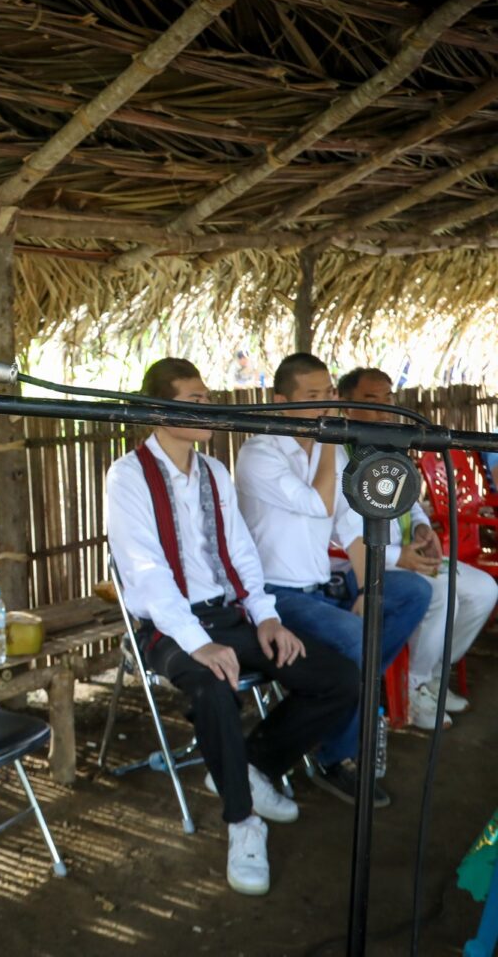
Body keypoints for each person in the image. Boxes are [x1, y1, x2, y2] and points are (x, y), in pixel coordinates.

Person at [107, 358, 359, 896]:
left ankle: (254, 765)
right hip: (167, 626)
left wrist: (265, 616)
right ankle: (242, 823)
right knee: (212, 685)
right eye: (194, 402)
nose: (208, 408)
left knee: (337, 676)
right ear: (159, 410)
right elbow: (145, 574)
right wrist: (199, 644)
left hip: (226, 613)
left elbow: (241, 551)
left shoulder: (214, 472)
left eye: (207, 397)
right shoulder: (127, 476)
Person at [235, 352, 430, 807]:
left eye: (328, 394)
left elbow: (349, 528)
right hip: (275, 597)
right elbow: (320, 504)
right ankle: (336, 756)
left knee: (411, 592)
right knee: (355, 635)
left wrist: (367, 588)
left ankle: (349, 699)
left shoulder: (334, 451)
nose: (325, 404)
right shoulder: (258, 454)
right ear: (280, 400)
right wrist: (325, 445)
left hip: (323, 589)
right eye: (312, 396)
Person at [338, 367, 497, 728]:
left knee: (484, 589)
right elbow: (340, 531)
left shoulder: (389, 445)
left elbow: (408, 501)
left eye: (388, 398)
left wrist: (424, 529)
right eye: (370, 399)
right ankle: (412, 688)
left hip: (408, 553)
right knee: (442, 596)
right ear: (346, 405)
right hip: (364, 562)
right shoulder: (338, 454)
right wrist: (398, 557)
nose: (383, 408)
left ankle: (434, 674)